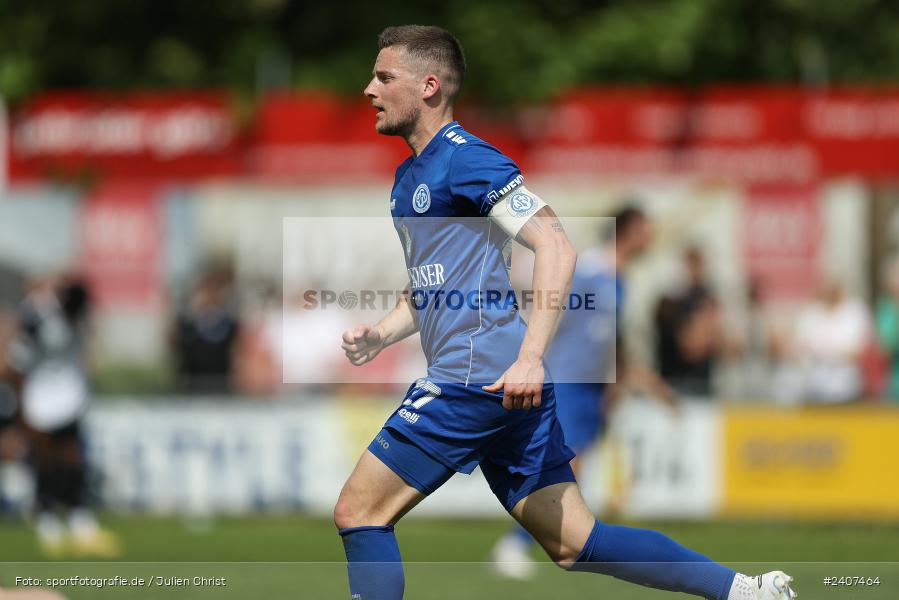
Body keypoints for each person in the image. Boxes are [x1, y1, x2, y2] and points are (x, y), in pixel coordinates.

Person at [334, 25, 796, 600]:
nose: (368, 89)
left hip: (475, 378)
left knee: (360, 512)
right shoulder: (408, 179)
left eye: (384, 77)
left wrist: (530, 357)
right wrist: (381, 332)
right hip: (502, 383)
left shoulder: (468, 159)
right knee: (577, 543)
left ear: (429, 86)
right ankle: (744, 591)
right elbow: (432, 286)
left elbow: (556, 244)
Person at [490, 205, 677, 577]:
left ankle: (539, 542)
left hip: (593, 386)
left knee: (576, 469)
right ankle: (514, 544)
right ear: (628, 230)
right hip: (569, 379)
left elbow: (609, 340)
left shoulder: (620, 279)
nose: (650, 238)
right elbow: (553, 311)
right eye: (645, 229)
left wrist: (614, 382)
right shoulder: (591, 270)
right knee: (564, 466)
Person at [5, 274, 120, 557]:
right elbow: (17, 363)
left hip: (69, 400)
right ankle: (48, 522)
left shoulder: (73, 319)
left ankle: (80, 522)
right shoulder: (38, 320)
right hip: (42, 402)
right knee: (47, 462)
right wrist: (20, 405)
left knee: (73, 461)